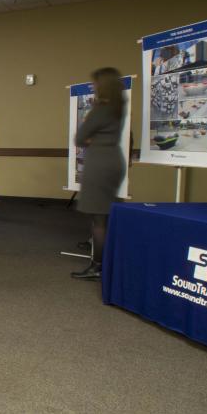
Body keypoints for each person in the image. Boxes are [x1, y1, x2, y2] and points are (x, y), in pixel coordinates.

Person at [71, 69, 126, 281]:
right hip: (114, 160)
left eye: (94, 83)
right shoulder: (118, 108)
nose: (92, 86)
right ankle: (109, 261)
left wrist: (91, 140)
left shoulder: (101, 109)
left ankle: (97, 266)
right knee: (107, 215)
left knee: (99, 220)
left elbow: (80, 138)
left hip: (99, 164)